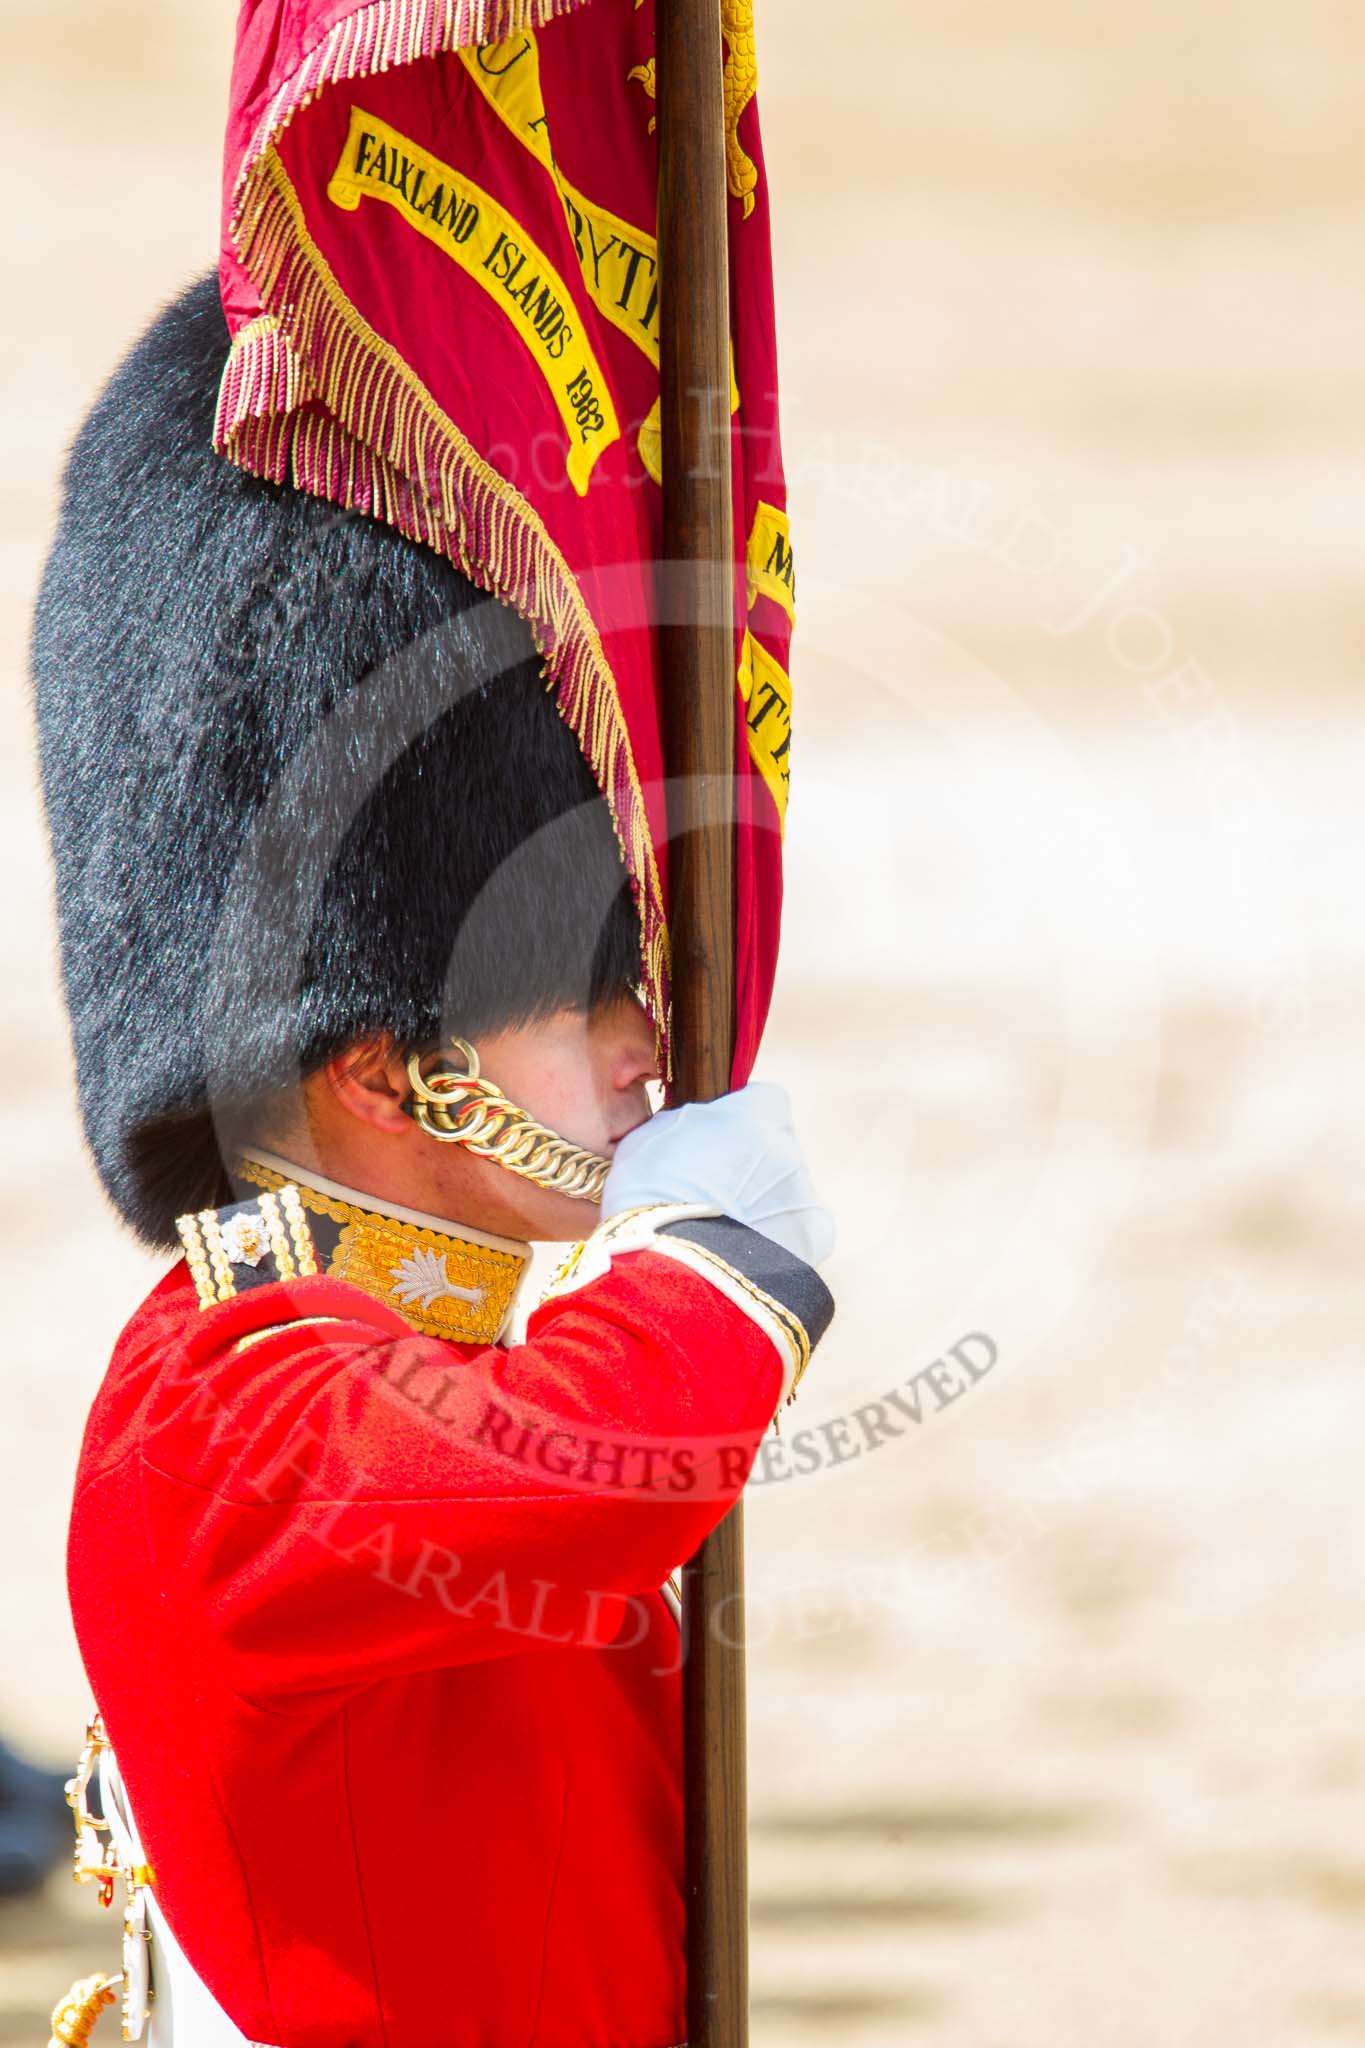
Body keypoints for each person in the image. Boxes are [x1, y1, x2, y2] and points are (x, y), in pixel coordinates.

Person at [33, 275, 833, 2048]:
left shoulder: (413, 1353)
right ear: (388, 1070)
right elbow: (579, 1469)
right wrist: (723, 1266)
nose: (654, 1037)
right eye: (590, 994)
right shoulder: (213, 1418)